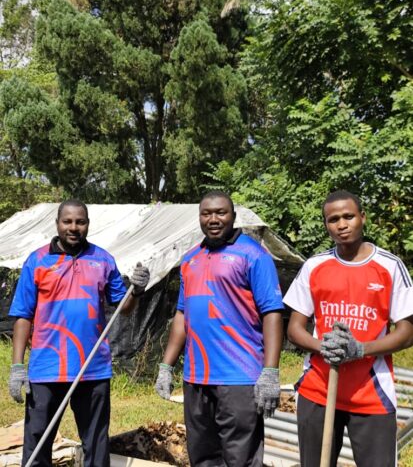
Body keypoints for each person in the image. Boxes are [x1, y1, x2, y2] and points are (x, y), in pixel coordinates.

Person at [8, 199, 150, 467]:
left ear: (87, 224)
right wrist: (17, 366)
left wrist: (137, 290)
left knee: (96, 444)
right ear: (57, 224)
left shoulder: (103, 259)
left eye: (80, 222)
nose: (73, 227)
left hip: (92, 367)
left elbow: (124, 308)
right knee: (37, 441)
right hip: (47, 367)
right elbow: (23, 315)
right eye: (68, 221)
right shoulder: (37, 260)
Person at [284, 189, 413, 467]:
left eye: (348, 216)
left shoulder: (390, 266)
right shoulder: (314, 266)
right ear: (326, 225)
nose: (342, 225)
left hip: (371, 394)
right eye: (333, 220)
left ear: (362, 217)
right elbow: (294, 329)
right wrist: (322, 346)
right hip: (318, 390)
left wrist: (360, 349)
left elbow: (407, 333)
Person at [155, 190, 284, 467]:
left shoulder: (253, 255)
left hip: (239, 376)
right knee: (202, 456)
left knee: (240, 457)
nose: (213, 219)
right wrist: (166, 366)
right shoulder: (190, 259)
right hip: (196, 377)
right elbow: (182, 314)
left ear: (233, 217)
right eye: (206, 213)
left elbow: (272, 312)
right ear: (199, 218)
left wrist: (271, 371)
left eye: (221, 213)